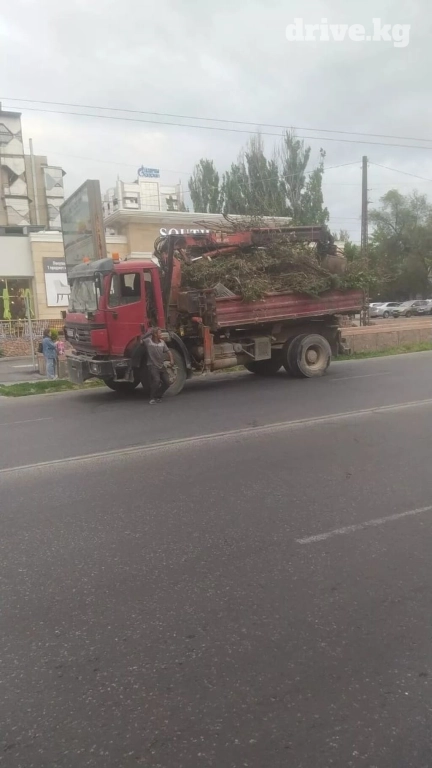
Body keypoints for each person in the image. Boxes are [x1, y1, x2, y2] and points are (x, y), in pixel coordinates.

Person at [142, 327, 174, 404]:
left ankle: (158, 396)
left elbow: (168, 352)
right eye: (160, 333)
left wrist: (171, 360)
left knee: (167, 382)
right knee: (156, 381)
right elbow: (141, 340)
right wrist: (149, 333)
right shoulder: (148, 341)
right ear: (155, 334)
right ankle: (152, 398)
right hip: (152, 365)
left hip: (161, 366)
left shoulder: (162, 342)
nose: (161, 334)